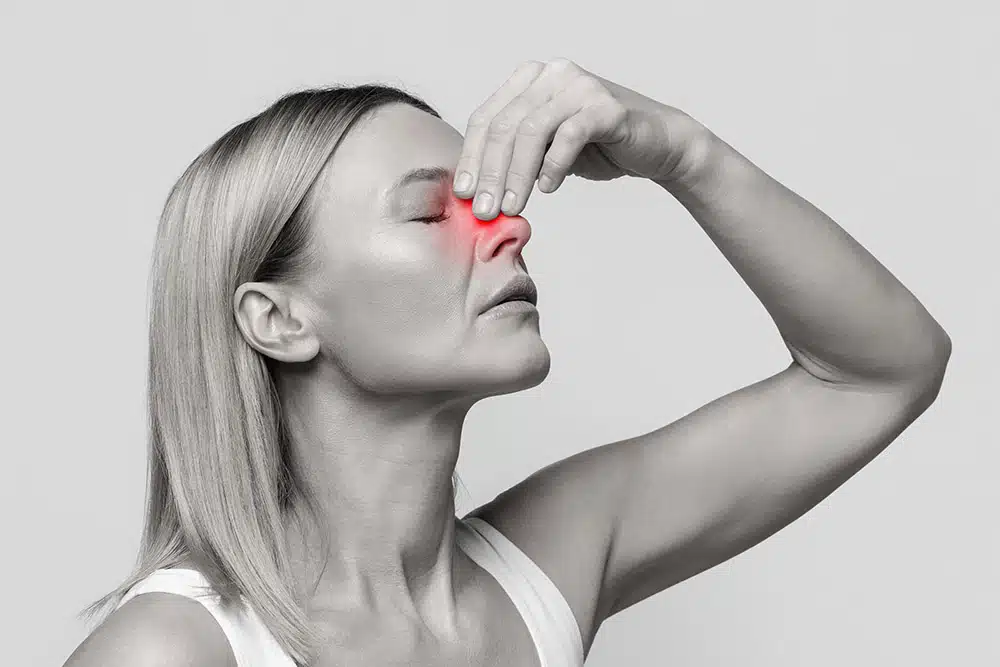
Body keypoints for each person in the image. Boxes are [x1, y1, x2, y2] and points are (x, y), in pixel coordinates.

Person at [62, 58, 951, 667]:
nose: (510, 224)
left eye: (490, 198)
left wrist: (682, 151)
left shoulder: (546, 567)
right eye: (427, 212)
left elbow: (882, 369)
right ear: (279, 318)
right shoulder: (176, 649)